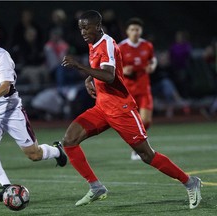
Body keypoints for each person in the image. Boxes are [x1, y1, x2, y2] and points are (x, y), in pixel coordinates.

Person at [61, 10, 201, 209]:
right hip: (102, 107)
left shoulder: (107, 43)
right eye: (80, 28)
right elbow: (107, 70)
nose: (82, 32)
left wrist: (79, 66)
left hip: (121, 108)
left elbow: (110, 76)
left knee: (146, 155)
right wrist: (90, 78)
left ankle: (190, 182)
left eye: (86, 27)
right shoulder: (93, 42)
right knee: (69, 140)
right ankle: (96, 187)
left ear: (98, 26)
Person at [0, 18, 67, 202]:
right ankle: (7, 186)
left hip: (11, 111)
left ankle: (57, 151)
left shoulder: (2, 56)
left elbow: (5, 86)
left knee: (34, 154)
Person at [118, 18, 157, 160]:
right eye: (132, 29)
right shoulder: (121, 47)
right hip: (128, 92)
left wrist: (152, 67)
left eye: (137, 29)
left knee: (146, 121)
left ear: (141, 31)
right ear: (127, 31)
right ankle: (138, 150)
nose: (135, 32)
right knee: (133, 123)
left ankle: (139, 147)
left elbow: (153, 60)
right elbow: (113, 67)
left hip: (144, 89)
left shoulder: (147, 46)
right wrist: (123, 70)